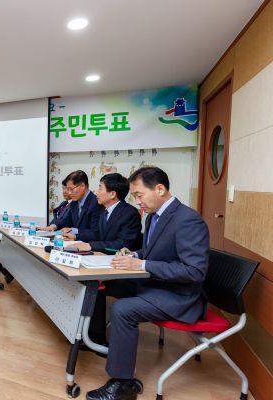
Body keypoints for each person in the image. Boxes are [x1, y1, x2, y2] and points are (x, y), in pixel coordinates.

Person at [86, 167, 209, 400]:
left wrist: (142, 264)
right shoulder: (153, 216)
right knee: (99, 285)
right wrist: (134, 255)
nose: (137, 201)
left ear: (160, 189)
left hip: (178, 295)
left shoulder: (188, 220)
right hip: (156, 284)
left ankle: (123, 385)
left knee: (122, 309)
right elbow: (153, 253)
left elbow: (194, 271)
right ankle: (94, 338)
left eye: (139, 195)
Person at [68, 173, 142, 348]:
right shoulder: (103, 210)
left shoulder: (129, 213)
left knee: (92, 284)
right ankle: (79, 330)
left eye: (100, 188)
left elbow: (123, 244)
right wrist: (76, 237)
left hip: (124, 272)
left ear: (112, 194)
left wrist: (91, 245)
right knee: (81, 277)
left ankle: (96, 338)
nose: (96, 192)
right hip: (104, 263)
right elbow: (97, 234)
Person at [54, 170, 100, 240]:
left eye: (71, 189)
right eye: (68, 189)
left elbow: (95, 233)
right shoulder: (74, 202)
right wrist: (53, 226)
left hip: (88, 244)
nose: (69, 193)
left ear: (82, 186)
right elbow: (66, 221)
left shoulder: (95, 203)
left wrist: (74, 231)